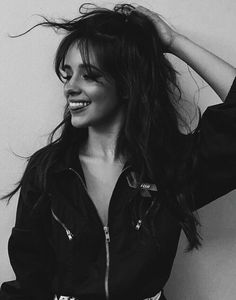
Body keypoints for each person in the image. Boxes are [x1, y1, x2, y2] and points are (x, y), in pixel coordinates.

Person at [0, 3, 236, 300]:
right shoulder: (49, 171)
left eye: (88, 75)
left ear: (125, 85)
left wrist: (174, 42)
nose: (70, 87)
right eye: (68, 74)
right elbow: (29, 282)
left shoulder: (168, 166)